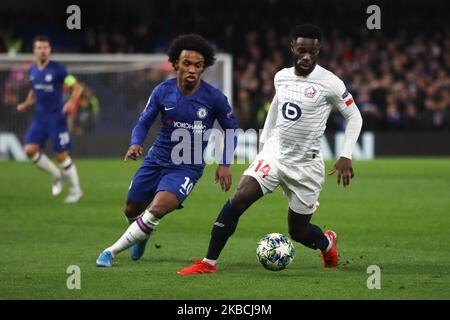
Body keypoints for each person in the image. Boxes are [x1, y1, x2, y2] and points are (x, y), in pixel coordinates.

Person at [178, 24, 363, 274]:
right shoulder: (282, 76)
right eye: (301, 50)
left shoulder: (330, 83)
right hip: (275, 154)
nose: (306, 56)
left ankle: (326, 243)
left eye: (312, 52)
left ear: (319, 51)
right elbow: (276, 107)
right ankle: (208, 263)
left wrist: (345, 155)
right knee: (239, 198)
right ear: (293, 49)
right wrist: (264, 146)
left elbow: (355, 117)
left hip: (305, 166)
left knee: (297, 231)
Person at [96, 34, 237, 268]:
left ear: (203, 69)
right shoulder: (162, 91)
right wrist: (135, 142)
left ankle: (110, 251)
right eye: (187, 64)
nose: (192, 69)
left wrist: (224, 164)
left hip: (187, 167)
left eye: (198, 65)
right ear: (176, 64)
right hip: (156, 159)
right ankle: (141, 234)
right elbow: (143, 122)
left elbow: (231, 129)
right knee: (131, 208)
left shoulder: (214, 98)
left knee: (157, 209)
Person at [16, 35, 83, 203]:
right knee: (29, 150)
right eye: (39, 47)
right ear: (34, 51)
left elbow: (77, 87)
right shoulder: (32, 71)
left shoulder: (58, 69)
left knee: (61, 155)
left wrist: (71, 102)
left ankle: (76, 191)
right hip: (39, 119)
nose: (42, 50)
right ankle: (57, 175)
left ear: (50, 50)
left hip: (56, 118)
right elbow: (34, 91)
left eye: (45, 47)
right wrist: (26, 103)